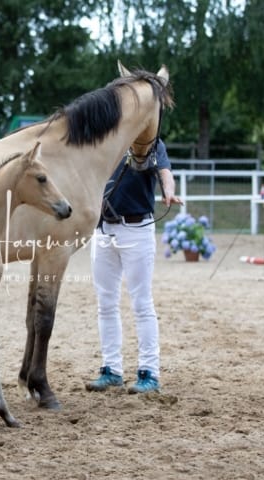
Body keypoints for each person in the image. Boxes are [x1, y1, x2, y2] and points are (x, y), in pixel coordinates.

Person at [85, 139, 182, 394]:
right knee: (105, 303)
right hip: (103, 229)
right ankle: (111, 368)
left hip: (136, 229)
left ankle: (149, 372)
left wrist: (168, 191)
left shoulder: (150, 143)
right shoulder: (104, 139)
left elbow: (165, 171)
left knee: (141, 302)